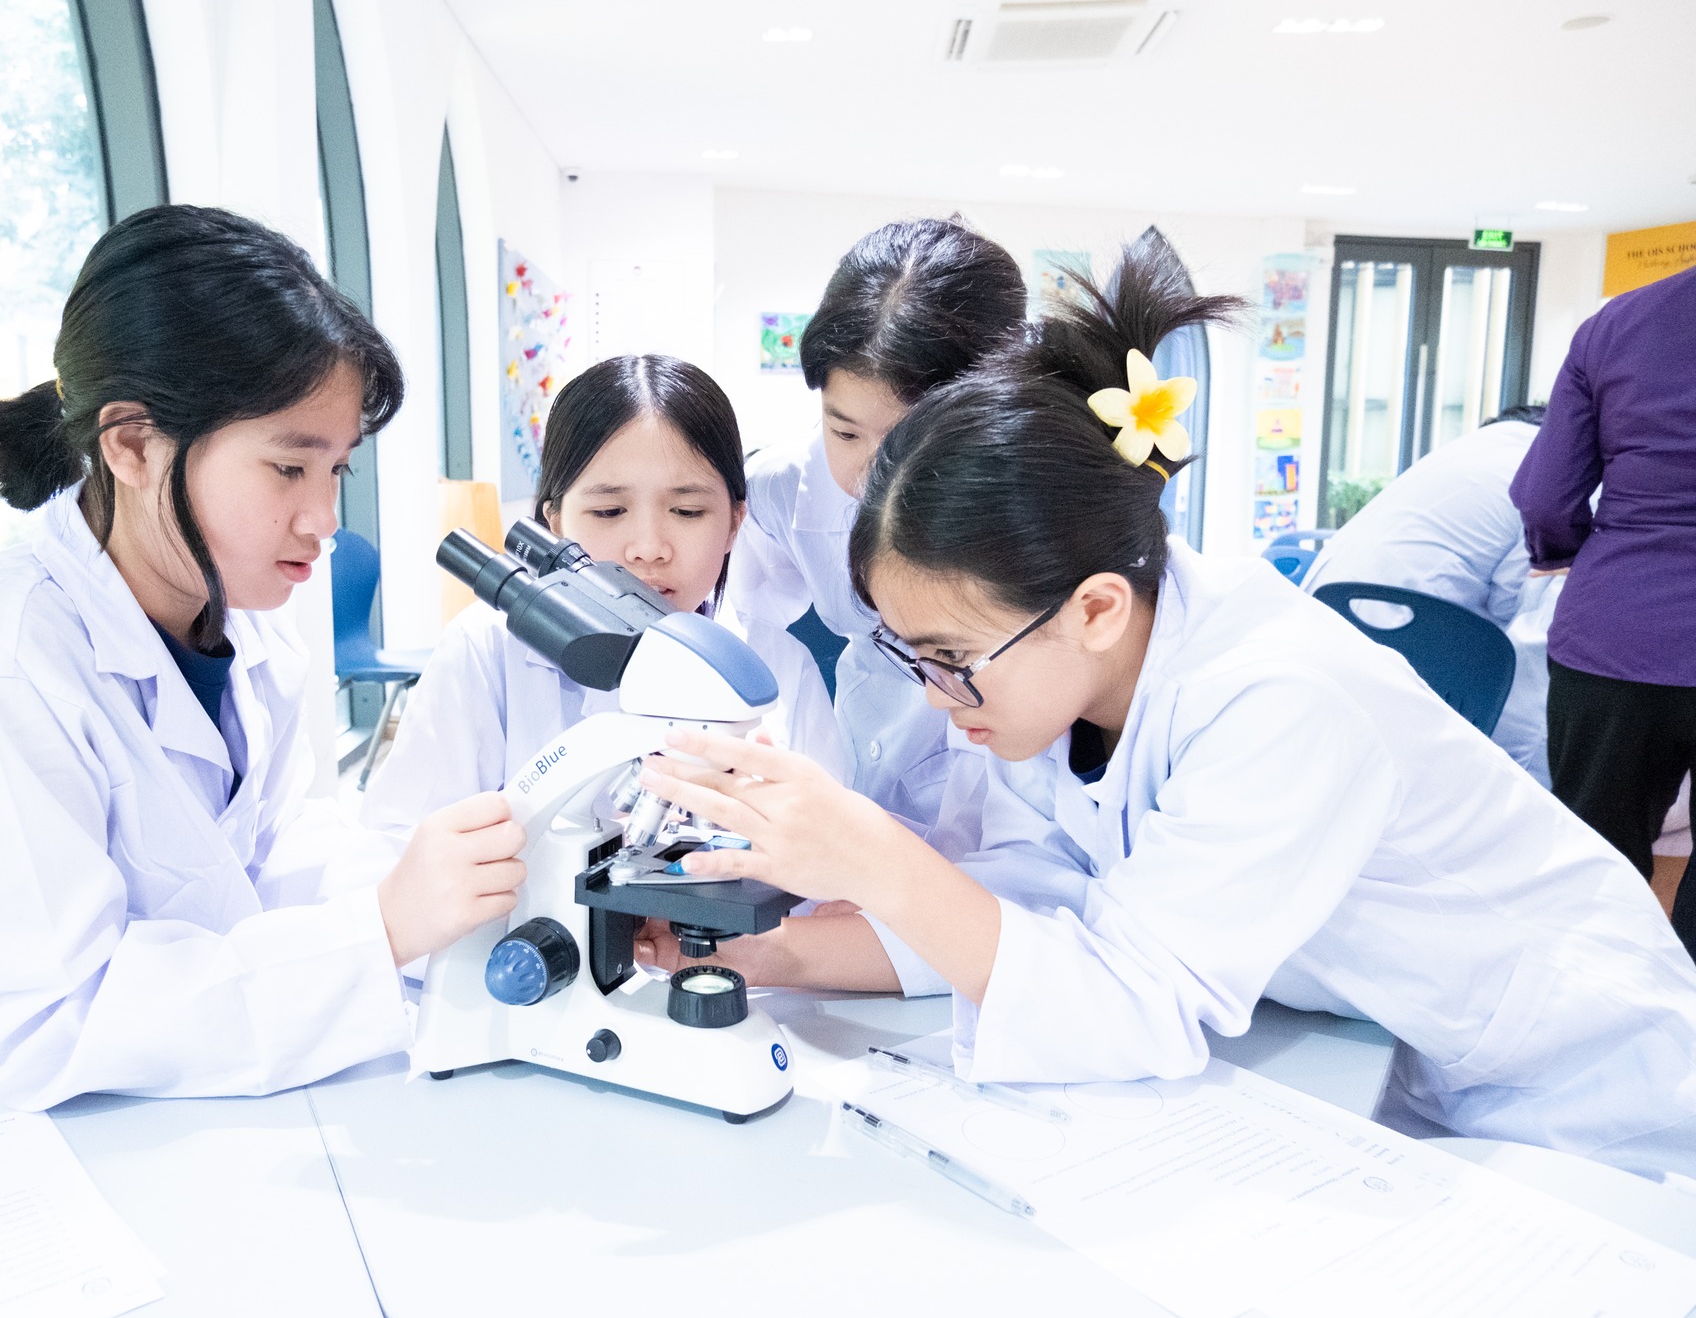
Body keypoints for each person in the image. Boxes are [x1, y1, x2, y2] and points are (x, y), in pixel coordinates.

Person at [635, 231, 1696, 1180]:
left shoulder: (1280, 698)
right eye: (913, 655)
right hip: (1401, 1061)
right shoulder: (1062, 679)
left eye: (951, 658)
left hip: (1585, 1103)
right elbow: (1025, 911)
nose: (935, 694)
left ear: (1094, 607)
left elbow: (1131, 1000)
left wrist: (870, 855)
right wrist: (773, 955)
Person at [0, 205, 527, 1110]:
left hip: (209, 1107)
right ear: (131, 444)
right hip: (49, 1138)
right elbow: (54, 1025)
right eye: (289, 468)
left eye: (337, 470)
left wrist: (445, 893)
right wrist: (381, 926)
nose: (325, 520)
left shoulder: (246, 625)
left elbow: (266, 861)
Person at [364, 353, 847, 836]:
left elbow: (832, 852)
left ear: (733, 525)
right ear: (555, 525)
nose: (648, 549)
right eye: (610, 512)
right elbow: (399, 843)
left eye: (686, 511)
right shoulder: (486, 651)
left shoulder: (780, 667)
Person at [725, 218, 1025, 992]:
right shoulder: (786, 491)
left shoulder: (1029, 525)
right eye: (844, 430)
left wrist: (916, 881)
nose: (868, 473)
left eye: (903, 439)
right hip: (873, 741)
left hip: (998, 767)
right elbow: (756, 639)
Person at [1512, 263, 1696, 959]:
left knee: (1593, 871)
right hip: (1622, 634)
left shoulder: (1618, 323)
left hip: (1616, 636)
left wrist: (1574, 555)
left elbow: (1546, 498)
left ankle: (1588, 1010)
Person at [1303, 404, 1550, 781]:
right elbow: (1515, 607)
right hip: (1406, 655)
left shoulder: (1466, 453)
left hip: (1320, 627)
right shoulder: (1545, 474)